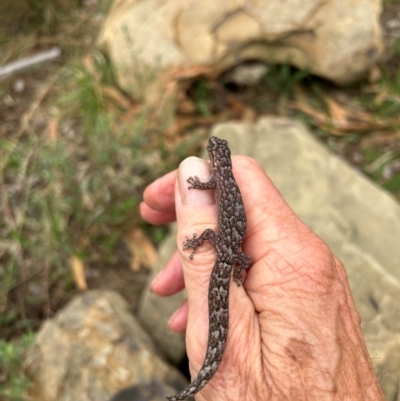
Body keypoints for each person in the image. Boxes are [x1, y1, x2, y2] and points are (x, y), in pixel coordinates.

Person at [140, 154, 384, 400]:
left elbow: (204, 188)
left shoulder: (216, 179)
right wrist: (239, 271)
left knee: (206, 240)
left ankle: (197, 382)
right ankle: (198, 379)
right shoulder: (227, 179)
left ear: (215, 159)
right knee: (217, 294)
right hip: (233, 252)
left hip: (229, 251)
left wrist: (196, 194)